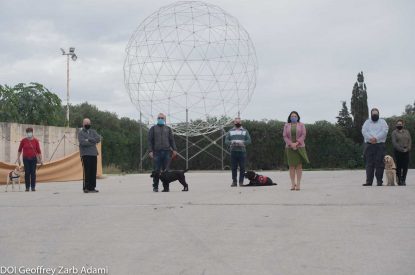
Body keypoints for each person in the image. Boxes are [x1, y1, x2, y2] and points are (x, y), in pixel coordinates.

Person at [148, 113, 177, 192]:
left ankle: (166, 187)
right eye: (159, 118)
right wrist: (150, 151)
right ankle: (155, 187)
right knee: (156, 170)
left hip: (167, 152)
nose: (160, 119)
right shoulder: (153, 128)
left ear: (164, 120)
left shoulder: (168, 129)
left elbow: (172, 140)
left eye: (162, 118)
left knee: (166, 171)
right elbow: (150, 141)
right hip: (156, 152)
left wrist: (174, 149)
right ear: (157, 119)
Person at [362, 108, 389, 186]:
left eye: (376, 113)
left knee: (380, 164)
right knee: (369, 164)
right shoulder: (367, 122)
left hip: (380, 145)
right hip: (369, 145)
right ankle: (369, 182)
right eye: (373, 114)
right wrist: (371, 138)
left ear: (378, 114)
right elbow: (364, 131)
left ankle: (379, 181)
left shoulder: (383, 122)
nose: (374, 115)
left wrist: (376, 138)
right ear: (371, 114)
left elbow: (385, 131)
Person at [283, 111, 309, 191]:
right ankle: (292, 184)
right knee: (291, 166)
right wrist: (291, 144)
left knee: (298, 166)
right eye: (292, 116)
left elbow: (303, 135)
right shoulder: (286, 125)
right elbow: (284, 136)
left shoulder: (302, 125)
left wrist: (297, 143)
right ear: (290, 117)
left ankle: (298, 184)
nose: (293, 117)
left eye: (295, 116)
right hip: (289, 148)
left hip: (300, 147)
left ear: (297, 117)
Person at [225, 117, 251, 187]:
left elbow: (249, 140)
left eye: (239, 122)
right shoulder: (230, 131)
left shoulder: (245, 131)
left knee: (242, 168)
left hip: (242, 152)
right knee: (234, 167)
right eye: (236, 122)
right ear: (234, 123)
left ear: (241, 122)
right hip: (233, 151)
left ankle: (241, 182)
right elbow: (226, 141)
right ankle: (234, 182)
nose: (238, 123)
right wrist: (231, 142)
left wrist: (243, 143)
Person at [78, 118, 101, 193]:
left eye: (89, 123)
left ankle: (92, 187)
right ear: (83, 124)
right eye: (86, 123)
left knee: (93, 171)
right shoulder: (80, 133)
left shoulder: (93, 131)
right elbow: (82, 143)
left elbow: (98, 139)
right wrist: (93, 141)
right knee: (87, 171)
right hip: (85, 154)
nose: (88, 124)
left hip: (93, 154)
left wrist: (88, 139)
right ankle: (86, 188)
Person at [17, 127, 43, 192]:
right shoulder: (23, 140)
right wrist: (18, 159)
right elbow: (19, 150)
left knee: (33, 173)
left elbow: (39, 151)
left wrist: (41, 159)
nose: (29, 133)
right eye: (28, 132)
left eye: (30, 132)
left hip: (34, 159)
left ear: (32, 132)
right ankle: (27, 187)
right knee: (27, 173)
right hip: (25, 159)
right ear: (26, 133)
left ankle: (33, 187)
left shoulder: (36, 141)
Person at [391, 119, 411, 186]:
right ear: (396, 125)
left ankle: (403, 180)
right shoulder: (394, 132)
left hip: (406, 151)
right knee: (398, 166)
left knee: (405, 167)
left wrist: (408, 148)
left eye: (400, 124)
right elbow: (394, 143)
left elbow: (410, 141)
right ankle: (399, 180)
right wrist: (401, 149)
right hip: (398, 152)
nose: (399, 125)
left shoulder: (407, 132)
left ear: (403, 124)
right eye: (398, 124)